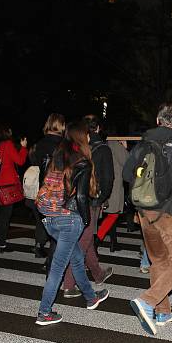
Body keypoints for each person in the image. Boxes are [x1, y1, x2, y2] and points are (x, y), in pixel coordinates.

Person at [123, 103, 172, 336]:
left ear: (157, 121)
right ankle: (148, 301)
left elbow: (127, 174)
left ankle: (163, 311)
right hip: (171, 211)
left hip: (145, 212)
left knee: (159, 261)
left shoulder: (142, 144)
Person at [34, 120, 109, 325]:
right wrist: (84, 220)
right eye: (86, 134)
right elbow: (82, 197)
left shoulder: (57, 156)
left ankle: (91, 297)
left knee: (76, 257)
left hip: (48, 216)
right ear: (81, 137)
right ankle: (44, 312)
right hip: (68, 218)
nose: (88, 138)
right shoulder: (82, 162)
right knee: (58, 268)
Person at [61, 117, 113, 298]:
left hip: (67, 203)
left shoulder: (65, 151)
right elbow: (106, 179)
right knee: (81, 243)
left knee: (87, 238)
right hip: (86, 203)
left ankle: (98, 273)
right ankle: (69, 284)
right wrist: (101, 198)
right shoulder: (89, 153)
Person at [27, 113, 66, 259]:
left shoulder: (38, 145)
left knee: (42, 218)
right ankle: (52, 260)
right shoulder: (63, 145)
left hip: (38, 188)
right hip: (55, 188)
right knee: (57, 222)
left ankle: (39, 244)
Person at [0, 122, 28, 252]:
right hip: (7, 185)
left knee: (3, 214)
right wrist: (23, 148)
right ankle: (0, 242)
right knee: (6, 215)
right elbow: (20, 161)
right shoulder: (8, 144)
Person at [103, 128, 129, 252]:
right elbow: (127, 162)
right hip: (113, 184)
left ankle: (114, 242)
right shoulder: (113, 144)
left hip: (102, 183)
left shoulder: (102, 142)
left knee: (110, 214)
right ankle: (97, 240)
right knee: (113, 214)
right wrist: (124, 147)